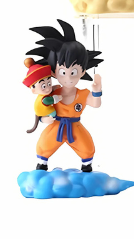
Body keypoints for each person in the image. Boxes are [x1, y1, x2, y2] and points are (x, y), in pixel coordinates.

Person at [26, 20, 103, 172]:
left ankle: (86, 167)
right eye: (63, 72)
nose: (68, 78)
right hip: (56, 126)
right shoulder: (51, 92)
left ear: (82, 72)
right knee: (44, 145)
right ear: (54, 72)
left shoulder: (82, 93)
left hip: (75, 127)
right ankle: (42, 166)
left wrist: (97, 91)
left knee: (86, 147)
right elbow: (41, 109)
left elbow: (95, 104)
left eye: (73, 72)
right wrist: (44, 119)